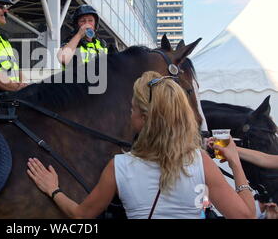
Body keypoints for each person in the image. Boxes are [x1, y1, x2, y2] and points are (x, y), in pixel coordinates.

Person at [27, 71, 256, 219]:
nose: (130, 114)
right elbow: (245, 217)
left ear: (144, 119)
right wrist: (235, 162)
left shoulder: (119, 167)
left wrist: (53, 190)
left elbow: (81, 216)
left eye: (133, 109)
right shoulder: (200, 162)